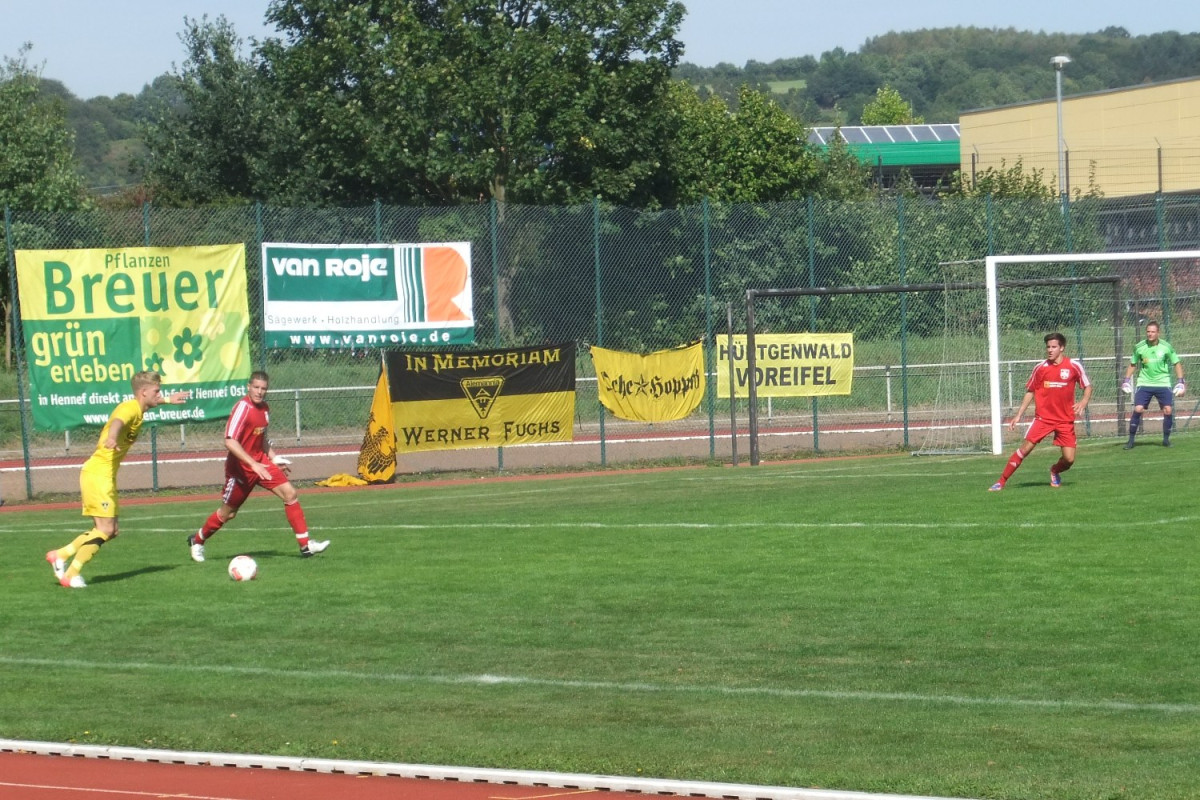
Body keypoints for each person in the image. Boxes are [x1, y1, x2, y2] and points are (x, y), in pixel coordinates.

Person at [45, 371, 188, 588]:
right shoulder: (129, 408)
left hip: (104, 476)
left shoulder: (139, 408)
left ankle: (61, 555)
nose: (159, 394)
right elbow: (118, 421)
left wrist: (168, 400)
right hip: (98, 475)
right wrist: (112, 437)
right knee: (105, 530)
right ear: (143, 392)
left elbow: (149, 404)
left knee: (110, 531)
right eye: (157, 391)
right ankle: (70, 573)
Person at [187, 371, 328, 561]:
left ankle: (305, 545)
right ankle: (197, 541)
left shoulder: (264, 409)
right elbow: (229, 441)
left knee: (290, 494)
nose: (259, 392)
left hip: (261, 463)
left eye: (263, 388)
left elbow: (261, 439)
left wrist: (274, 459)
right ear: (248, 387)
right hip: (240, 470)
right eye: (256, 387)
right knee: (228, 514)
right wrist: (253, 465)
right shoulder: (242, 408)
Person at [989, 332, 1093, 491]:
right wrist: (1018, 415)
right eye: (1048, 347)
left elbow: (1087, 386)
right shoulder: (1040, 368)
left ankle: (1055, 470)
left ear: (1062, 348)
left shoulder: (1073, 366)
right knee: (1025, 449)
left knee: (1069, 459)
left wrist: (1083, 402)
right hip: (1043, 419)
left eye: (1054, 347)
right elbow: (1030, 391)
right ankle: (1001, 482)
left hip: (1065, 420)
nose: (1050, 350)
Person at [1121, 321, 1185, 448]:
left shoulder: (1166, 347)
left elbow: (1176, 363)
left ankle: (1166, 440)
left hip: (1163, 382)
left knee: (1168, 410)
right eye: (1148, 331)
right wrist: (1126, 380)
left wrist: (1181, 381)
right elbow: (1133, 364)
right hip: (1144, 382)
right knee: (1138, 409)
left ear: (1158, 333)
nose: (1150, 334)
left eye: (1153, 332)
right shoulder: (1139, 347)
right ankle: (1131, 441)